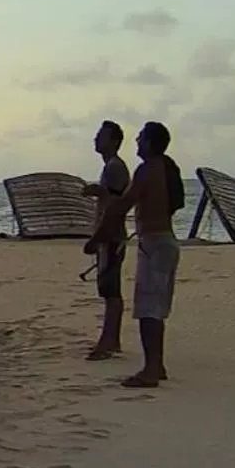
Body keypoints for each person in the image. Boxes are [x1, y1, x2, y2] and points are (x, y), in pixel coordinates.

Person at [87, 121, 186, 388]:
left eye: (141, 138)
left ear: (151, 143)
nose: (137, 142)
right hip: (165, 241)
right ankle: (156, 365)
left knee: (148, 310)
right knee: (155, 307)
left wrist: (96, 238)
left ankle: (151, 369)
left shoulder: (148, 169)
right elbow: (175, 202)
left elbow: (121, 206)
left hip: (154, 243)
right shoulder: (168, 168)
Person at [80, 120, 133, 360]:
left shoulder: (114, 167)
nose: (96, 140)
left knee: (110, 290)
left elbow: (114, 207)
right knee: (109, 289)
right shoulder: (111, 168)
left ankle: (108, 341)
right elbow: (112, 196)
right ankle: (111, 339)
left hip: (111, 235)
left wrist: (97, 238)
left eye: (101, 136)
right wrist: (98, 191)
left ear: (113, 141)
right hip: (110, 234)